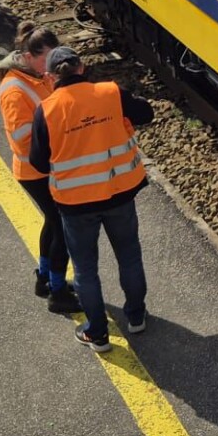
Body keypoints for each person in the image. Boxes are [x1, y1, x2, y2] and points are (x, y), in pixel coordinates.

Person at [27, 46, 155, 352]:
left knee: (85, 269)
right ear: (82, 67)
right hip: (119, 194)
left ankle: (97, 334)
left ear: (52, 76)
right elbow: (146, 113)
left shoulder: (47, 109)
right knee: (129, 255)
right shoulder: (110, 93)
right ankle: (136, 316)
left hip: (76, 204)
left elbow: (39, 162)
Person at [0, 26, 75, 313]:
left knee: (52, 223)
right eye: (47, 59)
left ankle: (44, 279)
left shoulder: (35, 75)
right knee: (62, 229)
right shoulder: (14, 91)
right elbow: (21, 141)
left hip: (43, 167)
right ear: (29, 57)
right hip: (37, 170)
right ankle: (57, 293)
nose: (52, 65)